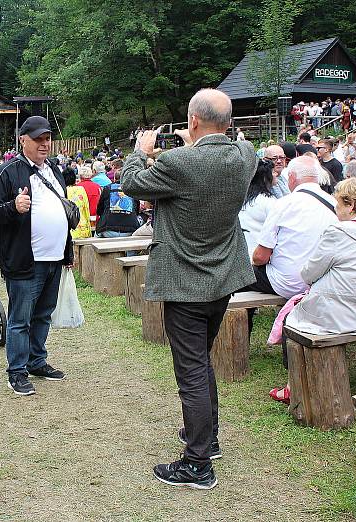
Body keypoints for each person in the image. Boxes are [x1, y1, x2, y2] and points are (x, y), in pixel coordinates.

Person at [122, 89, 257, 491]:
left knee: (192, 370)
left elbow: (131, 183)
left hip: (185, 284)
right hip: (223, 280)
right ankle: (207, 439)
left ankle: (197, 463)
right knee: (201, 361)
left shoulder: (178, 163)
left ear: (193, 121)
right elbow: (231, 151)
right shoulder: (243, 156)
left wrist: (141, 149)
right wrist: (196, 142)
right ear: (228, 123)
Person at [0, 115, 71, 396]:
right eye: (38, 139)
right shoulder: (8, 171)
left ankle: (36, 361)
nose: (44, 144)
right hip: (24, 260)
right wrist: (13, 206)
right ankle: (17, 372)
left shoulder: (54, 170)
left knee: (43, 314)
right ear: (23, 140)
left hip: (54, 258)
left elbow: (63, 209)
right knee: (20, 319)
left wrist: (66, 251)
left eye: (47, 138)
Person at [286, 176, 356, 334]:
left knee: (289, 322)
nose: (335, 207)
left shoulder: (338, 232)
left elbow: (309, 274)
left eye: (337, 202)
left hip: (339, 316)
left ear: (350, 205)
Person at [247, 156, 338, 299]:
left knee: (239, 275)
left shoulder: (284, 204)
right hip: (323, 282)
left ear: (291, 177)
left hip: (287, 284)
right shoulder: (334, 203)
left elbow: (260, 257)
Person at [238, 159, 277, 258]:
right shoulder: (270, 202)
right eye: (273, 172)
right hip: (259, 256)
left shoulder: (241, 198)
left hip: (243, 254)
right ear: (265, 177)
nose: (276, 174)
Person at [95, 168, 140, 238]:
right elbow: (137, 211)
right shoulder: (133, 189)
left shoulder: (107, 188)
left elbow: (99, 210)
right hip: (130, 229)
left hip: (108, 229)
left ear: (114, 178)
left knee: (96, 235)